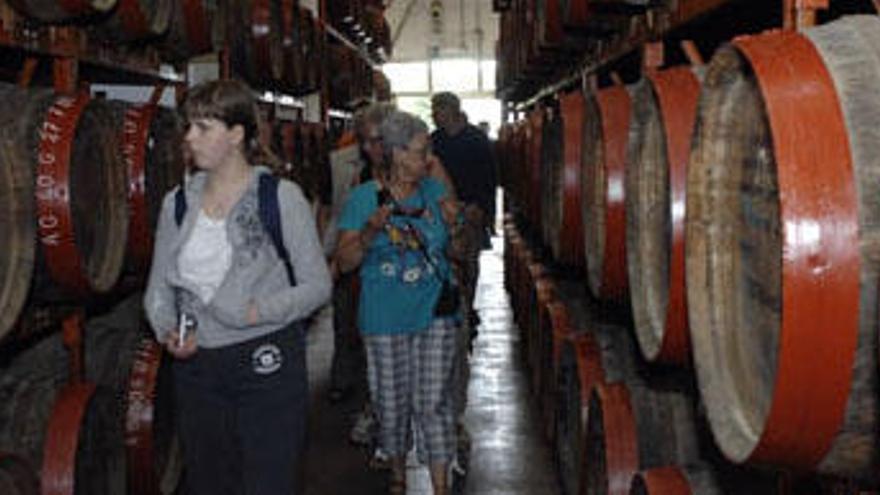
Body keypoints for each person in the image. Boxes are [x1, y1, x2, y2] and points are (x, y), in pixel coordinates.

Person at [143, 79, 332, 495]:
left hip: (268, 362)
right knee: (211, 484)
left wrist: (257, 312)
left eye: (202, 127)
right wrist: (167, 330)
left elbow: (318, 285)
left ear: (236, 134)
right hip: (198, 369)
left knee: (269, 483)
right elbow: (158, 289)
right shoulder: (175, 204)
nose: (189, 138)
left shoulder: (280, 198)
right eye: (188, 127)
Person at [335, 110, 464, 495]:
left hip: (435, 310)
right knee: (391, 403)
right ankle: (397, 474)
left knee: (433, 402)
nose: (427, 159)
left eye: (428, 150)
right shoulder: (363, 198)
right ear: (395, 153)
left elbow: (459, 251)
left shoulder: (435, 191)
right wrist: (372, 231)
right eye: (420, 151)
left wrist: (457, 227)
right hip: (384, 316)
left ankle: (441, 486)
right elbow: (344, 262)